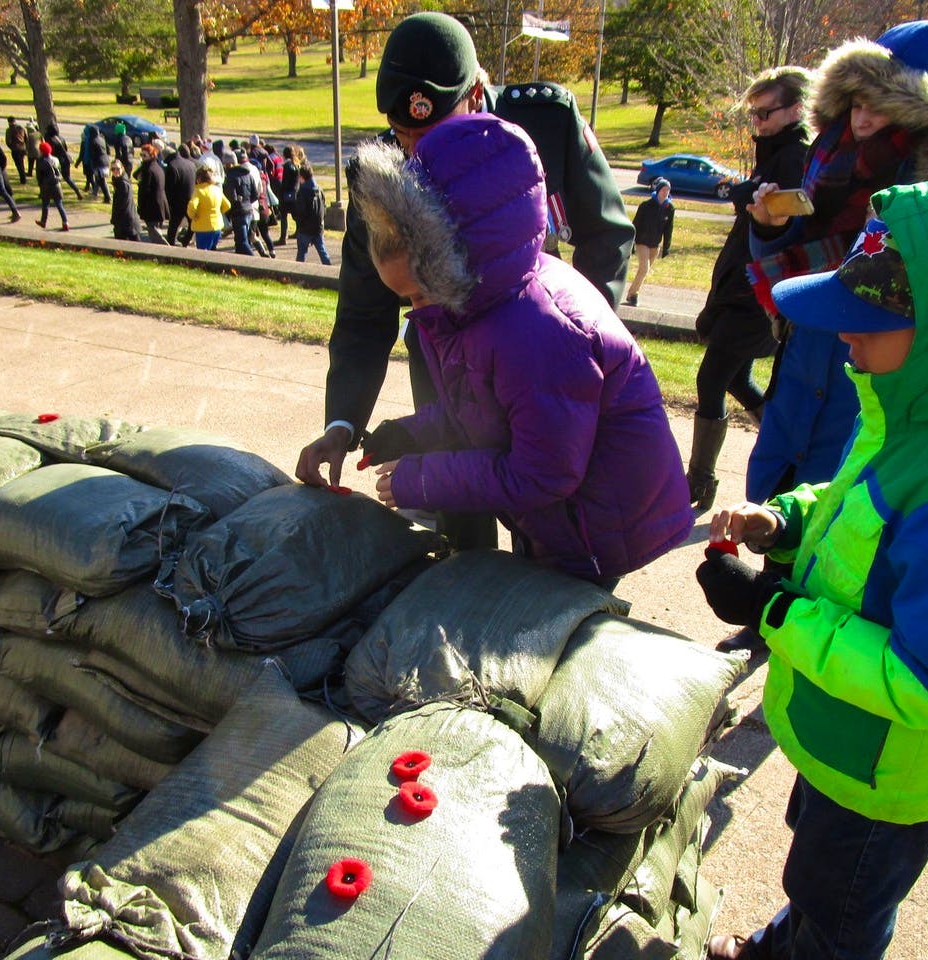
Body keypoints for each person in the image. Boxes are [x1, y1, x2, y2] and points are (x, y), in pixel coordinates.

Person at [696, 172, 928, 960]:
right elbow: (860, 505)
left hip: (892, 763)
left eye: (865, 321)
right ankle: (789, 939)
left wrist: (772, 614)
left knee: (843, 902)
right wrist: (784, 519)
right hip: (848, 732)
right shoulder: (924, 406)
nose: (843, 337)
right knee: (814, 865)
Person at [295, 12, 635, 528]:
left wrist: (575, 344)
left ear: (476, 93)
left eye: (434, 129)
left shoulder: (548, 121)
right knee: (459, 527)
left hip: (537, 364)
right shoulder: (385, 172)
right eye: (404, 133)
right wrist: (342, 423)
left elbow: (608, 236)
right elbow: (365, 316)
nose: (418, 150)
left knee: (547, 517)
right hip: (446, 374)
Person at [353, 113, 691, 586]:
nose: (417, 311)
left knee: (567, 630)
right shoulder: (473, 303)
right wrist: (413, 433)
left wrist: (425, 479)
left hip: (597, 526)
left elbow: (542, 475)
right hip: (556, 513)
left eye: (418, 294)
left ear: (459, 259)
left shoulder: (538, 333)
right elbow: (482, 411)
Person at [744, 21, 928, 511]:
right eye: (856, 100)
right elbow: (799, 272)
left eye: (881, 102)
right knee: (780, 545)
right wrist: (768, 226)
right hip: (799, 395)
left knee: (848, 548)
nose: (863, 116)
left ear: (922, 111)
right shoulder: (827, 163)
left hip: (876, 413)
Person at [687, 67, 812, 513]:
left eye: (765, 113)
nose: (757, 122)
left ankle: (699, 482)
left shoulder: (795, 154)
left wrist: (746, 192)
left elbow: (785, 210)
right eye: (753, 114)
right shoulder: (775, 152)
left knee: (711, 377)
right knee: (737, 379)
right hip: (744, 288)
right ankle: (788, 455)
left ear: (796, 110)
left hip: (757, 295)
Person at [623, 178, 674, 307]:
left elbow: (668, 229)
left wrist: (666, 247)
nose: (665, 192)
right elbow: (636, 224)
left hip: (655, 244)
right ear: (658, 191)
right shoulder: (646, 206)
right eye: (663, 189)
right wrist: (631, 243)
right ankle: (634, 295)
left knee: (644, 271)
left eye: (668, 190)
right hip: (642, 242)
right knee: (644, 268)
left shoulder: (669, 208)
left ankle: (631, 294)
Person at [185, 158, 229, 250]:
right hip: (217, 226)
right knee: (213, 250)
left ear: (198, 179)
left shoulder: (198, 191)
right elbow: (227, 205)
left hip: (203, 227)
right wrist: (218, 211)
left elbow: (192, 206)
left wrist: (193, 215)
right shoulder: (217, 189)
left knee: (203, 253)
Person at [222, 148, 259, 256]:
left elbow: (231, 198)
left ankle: (257, 262)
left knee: (242, 242)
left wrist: (230, 211)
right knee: (241, 242)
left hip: (238, 213)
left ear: (228, 164)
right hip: (249, 211)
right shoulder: (248, 174)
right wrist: (246, 202)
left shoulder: (231, 177)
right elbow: (255, 195)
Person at [293, 161, 329, 265]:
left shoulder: (303, 192)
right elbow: (324, 207)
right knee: (323, 252)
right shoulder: (319, 189)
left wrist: (298, 222)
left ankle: (298, 272)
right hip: (318, 227)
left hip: (305, 228)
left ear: (302, 177)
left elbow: (300, 211)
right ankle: (330, 270)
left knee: (302, 253)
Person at [135, 141, 169, 244]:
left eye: (144, 155)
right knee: (155, 231)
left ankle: (168, 249)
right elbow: (135, 175)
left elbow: (144, 190)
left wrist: (140, 206)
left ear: (151, 155)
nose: (142, 157)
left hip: (152, 206)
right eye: (141, 154)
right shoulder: (156, 167)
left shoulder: (149, 170)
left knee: (154, 232)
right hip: (159, 205)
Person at [164, 143, 197, 245]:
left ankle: (171, 244)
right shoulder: (191, 164)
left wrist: (168, 204)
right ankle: (186, 240)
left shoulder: (172, 166)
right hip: (190, 198)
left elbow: (169, 188)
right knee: (192, 224)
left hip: (177, 202)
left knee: (173, 226)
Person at [34, 141, 70, 231]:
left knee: (45, 204)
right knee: (59, 204)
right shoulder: (55, 159)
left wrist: (40, 185)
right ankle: (65, 222)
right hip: (57, 184)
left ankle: (43, 221)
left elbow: (39, 175)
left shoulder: (41, 161)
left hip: (46, 185)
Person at [44, 123, 83, 199]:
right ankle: (77, 191)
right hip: (66, 159)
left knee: (54, 177)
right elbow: (65, 149)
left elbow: (51, 152)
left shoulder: (50, 140)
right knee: (67, 177)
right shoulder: (61, 138)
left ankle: (55, 194)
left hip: (58, 160)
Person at [109, 159, 141, 241]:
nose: (115, 171)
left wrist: (115, 219)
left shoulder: (123, 184)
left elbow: (122, 205)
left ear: (122, 168)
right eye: (113, 169)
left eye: (118, 169)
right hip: (126, 221)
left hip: (127, 222)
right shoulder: (119, 181)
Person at [277, 143, 301, 245]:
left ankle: (283, 237)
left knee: (284, 216)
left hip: (287, 192)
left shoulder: (287, 165)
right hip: (296, 192)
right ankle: (298, 232)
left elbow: (285, 181)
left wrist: (281, 190)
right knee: (296, 215)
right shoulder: (297, 164)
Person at [5, 116, 28, 183]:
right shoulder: (22, 128)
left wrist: (11, 147)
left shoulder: (9, 130)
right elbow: (26, 138)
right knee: (21, 163)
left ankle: (23, 178)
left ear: (9, 122)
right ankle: (23, 177)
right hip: (23, 148)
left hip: (15, 149)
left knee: (19, 164)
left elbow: (8, 141)